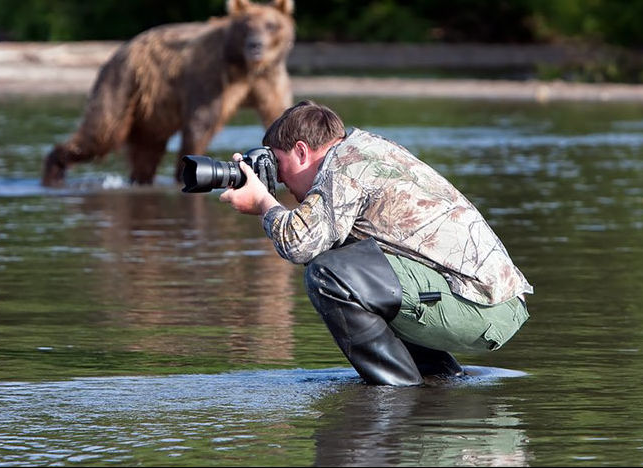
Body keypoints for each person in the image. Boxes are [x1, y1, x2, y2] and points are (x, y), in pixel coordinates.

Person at [220, 100, 533, 386]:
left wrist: (263, 202)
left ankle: (398, 391)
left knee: (328, 274)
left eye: (277, 164)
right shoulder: (363, 149)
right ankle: (438, 380)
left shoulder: (343, 165)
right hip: (489, 302)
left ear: (301, 151)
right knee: (348, 263)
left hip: (482, 304)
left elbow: (299, 244)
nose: (280, 179)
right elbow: (317, 240)